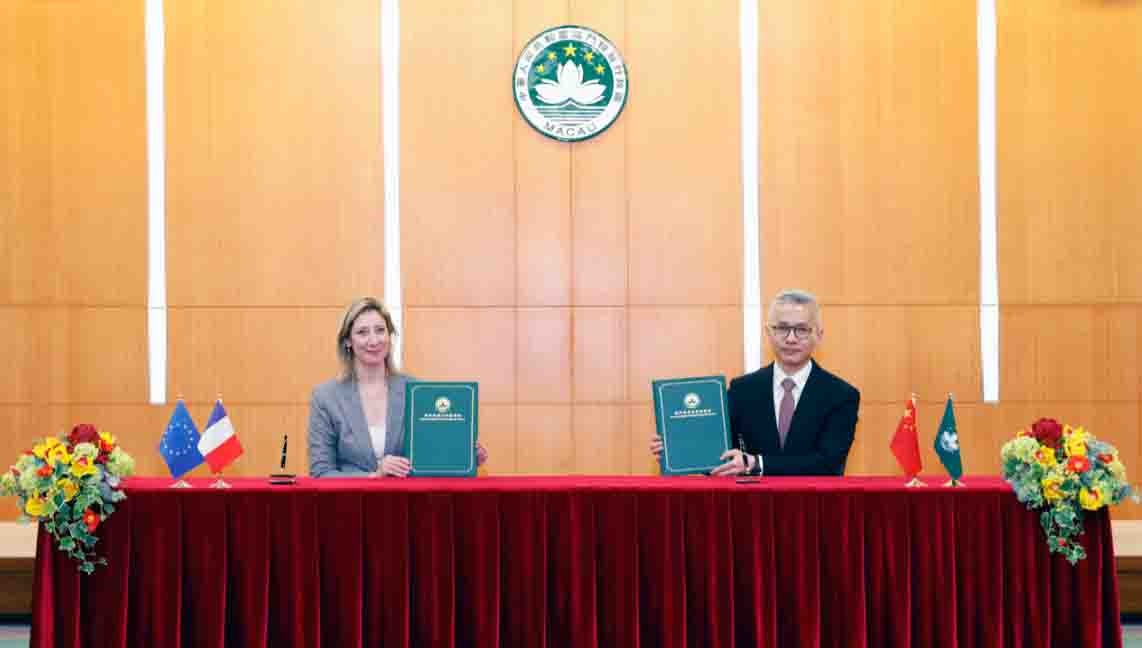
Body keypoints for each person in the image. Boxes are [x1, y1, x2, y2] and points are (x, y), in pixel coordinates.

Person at [650, 289, 859, 476]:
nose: (791, 338)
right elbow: (721, 456)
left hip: (814, 505)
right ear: (768, 332)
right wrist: (678, 451)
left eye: (802, 329)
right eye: (782, 328)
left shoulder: (841, 395)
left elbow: (828, 463)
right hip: (751, 504)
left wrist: (757, 464)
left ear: (818, 335)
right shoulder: (742, 390)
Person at [308, 297, 488, 477]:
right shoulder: (325, 397)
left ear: (390, 335)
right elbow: (321, 473)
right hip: (349, 496)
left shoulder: (419, 392)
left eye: (380, 330)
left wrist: (464, 456)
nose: (374, 341)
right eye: (362, 332)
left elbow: (433, 458)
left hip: (407, 495)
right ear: (348, 341)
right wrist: (375, 476)